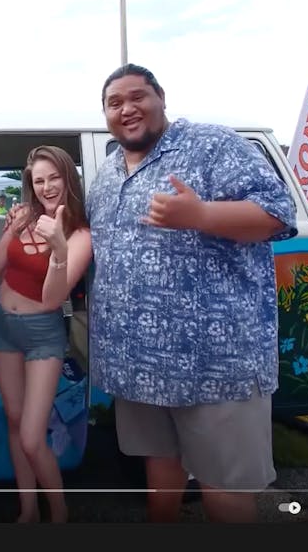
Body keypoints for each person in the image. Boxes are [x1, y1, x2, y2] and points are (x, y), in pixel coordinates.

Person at [87, 64, 297, 523]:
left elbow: (277, 214)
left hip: (214, 365)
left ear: (161, 97)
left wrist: (201, 214)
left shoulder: (211, 145)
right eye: (114, 102)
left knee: (223, 487)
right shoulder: (106, 175)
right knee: (160, 472)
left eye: (137, 96)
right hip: (139, 365)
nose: (127, 109)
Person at [0, 145, 92, 523]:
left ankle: (58, 513)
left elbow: (51, 297)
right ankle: (27, 510)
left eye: (54, 177)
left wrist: (58, 249)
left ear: (67, 178)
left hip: (42, 334)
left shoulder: (80, 233)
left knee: (31, 435)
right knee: (13, 422)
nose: (46, 187)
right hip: (3, 325)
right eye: (38, 180)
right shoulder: (24, 217)